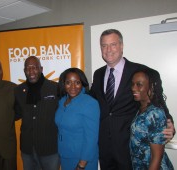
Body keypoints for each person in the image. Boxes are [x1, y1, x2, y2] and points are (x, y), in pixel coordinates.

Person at [89, 29, 175, 170]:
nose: (108, 49)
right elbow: (93, 101)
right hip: (105, 149)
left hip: (130, 149)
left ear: (122, 46)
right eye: (104, 45)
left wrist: (169, 123)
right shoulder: (98, 74)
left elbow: (158, 101)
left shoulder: (141, 72)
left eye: (113, 44)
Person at [14, 56, 60, 170]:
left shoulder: (55, 88)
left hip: (50, 148)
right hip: (27, 148)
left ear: (41, 69)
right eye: (28, 68)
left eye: (34, 67)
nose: (31, 71)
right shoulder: (19, 90)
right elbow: (16, 113)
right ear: (24, 71)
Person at [55, 68, 100, 170]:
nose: (73, 87)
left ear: (82, 83)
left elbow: (91, 138)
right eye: (68, 82)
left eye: (77, 82)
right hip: (65, 156)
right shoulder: (62, 101)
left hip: (83, 159)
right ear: (63, 84)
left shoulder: (90, 103)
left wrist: (81, 165)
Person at [130, 68, 174, 169]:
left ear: (152, 86)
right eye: (133, 84)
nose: (133, 88)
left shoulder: (155, 113)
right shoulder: (142, 108)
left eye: (139, 84)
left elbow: (157, 158)